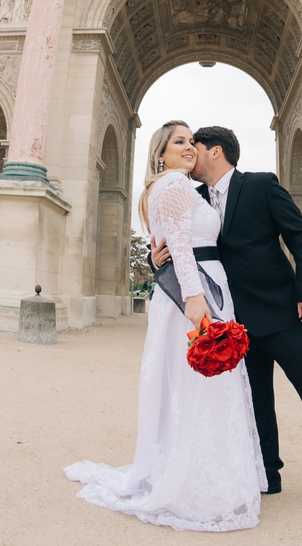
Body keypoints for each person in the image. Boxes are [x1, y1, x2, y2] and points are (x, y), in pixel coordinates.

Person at [65, 122, 266, 531]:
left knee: (193, 385)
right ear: (161, 154)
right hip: (194, 294)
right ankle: (202, 482)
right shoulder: (174, 186)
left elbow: (169, 246)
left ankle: (196, 468)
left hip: (192, 288)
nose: (190, 147)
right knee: (203, 386)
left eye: (192, 141)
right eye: (180, 142)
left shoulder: (170, 188)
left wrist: (170, 271)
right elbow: (179, 247)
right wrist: (195, 299)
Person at [152, 125, 302, 508]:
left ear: (214, 151)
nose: (190, 155)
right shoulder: (192, 195)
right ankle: (269, 472)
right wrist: (156, 257)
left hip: (283, 313)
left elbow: (299, 235)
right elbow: (180, 240)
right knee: (257, 401)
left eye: (194, 147)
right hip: (236, 319)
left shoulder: (262, 184)